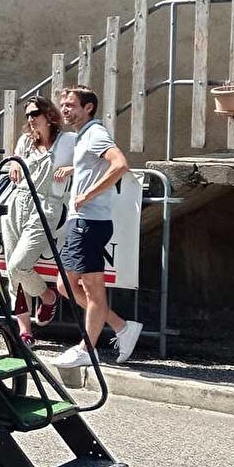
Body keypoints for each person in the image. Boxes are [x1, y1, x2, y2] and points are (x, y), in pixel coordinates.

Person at [52, 85, 142, 367]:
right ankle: (122, 327)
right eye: (63, 105)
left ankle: (86, 350)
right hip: (83, 221)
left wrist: (88, 193)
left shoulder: (95, 133)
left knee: (92, 289)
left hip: (91, 222)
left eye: (71, 105)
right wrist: (75, 170)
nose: (65, 109)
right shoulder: (83, 136)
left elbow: (119, 165)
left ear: (88, 107)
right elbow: (95, 165)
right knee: (65, 285)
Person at [1, 96, 75, 345]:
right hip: (17, 202)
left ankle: (48, 297)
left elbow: (95, 162)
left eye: (35, 114)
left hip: (46, 206)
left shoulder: (68, 141)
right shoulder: (25, 142)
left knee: (18, 265)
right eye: (28, 115)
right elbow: (15, 160)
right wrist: (13, 162)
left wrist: (72, 170)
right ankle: (25, 330)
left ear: (48, 115)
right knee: (13, 273)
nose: (31, 119)